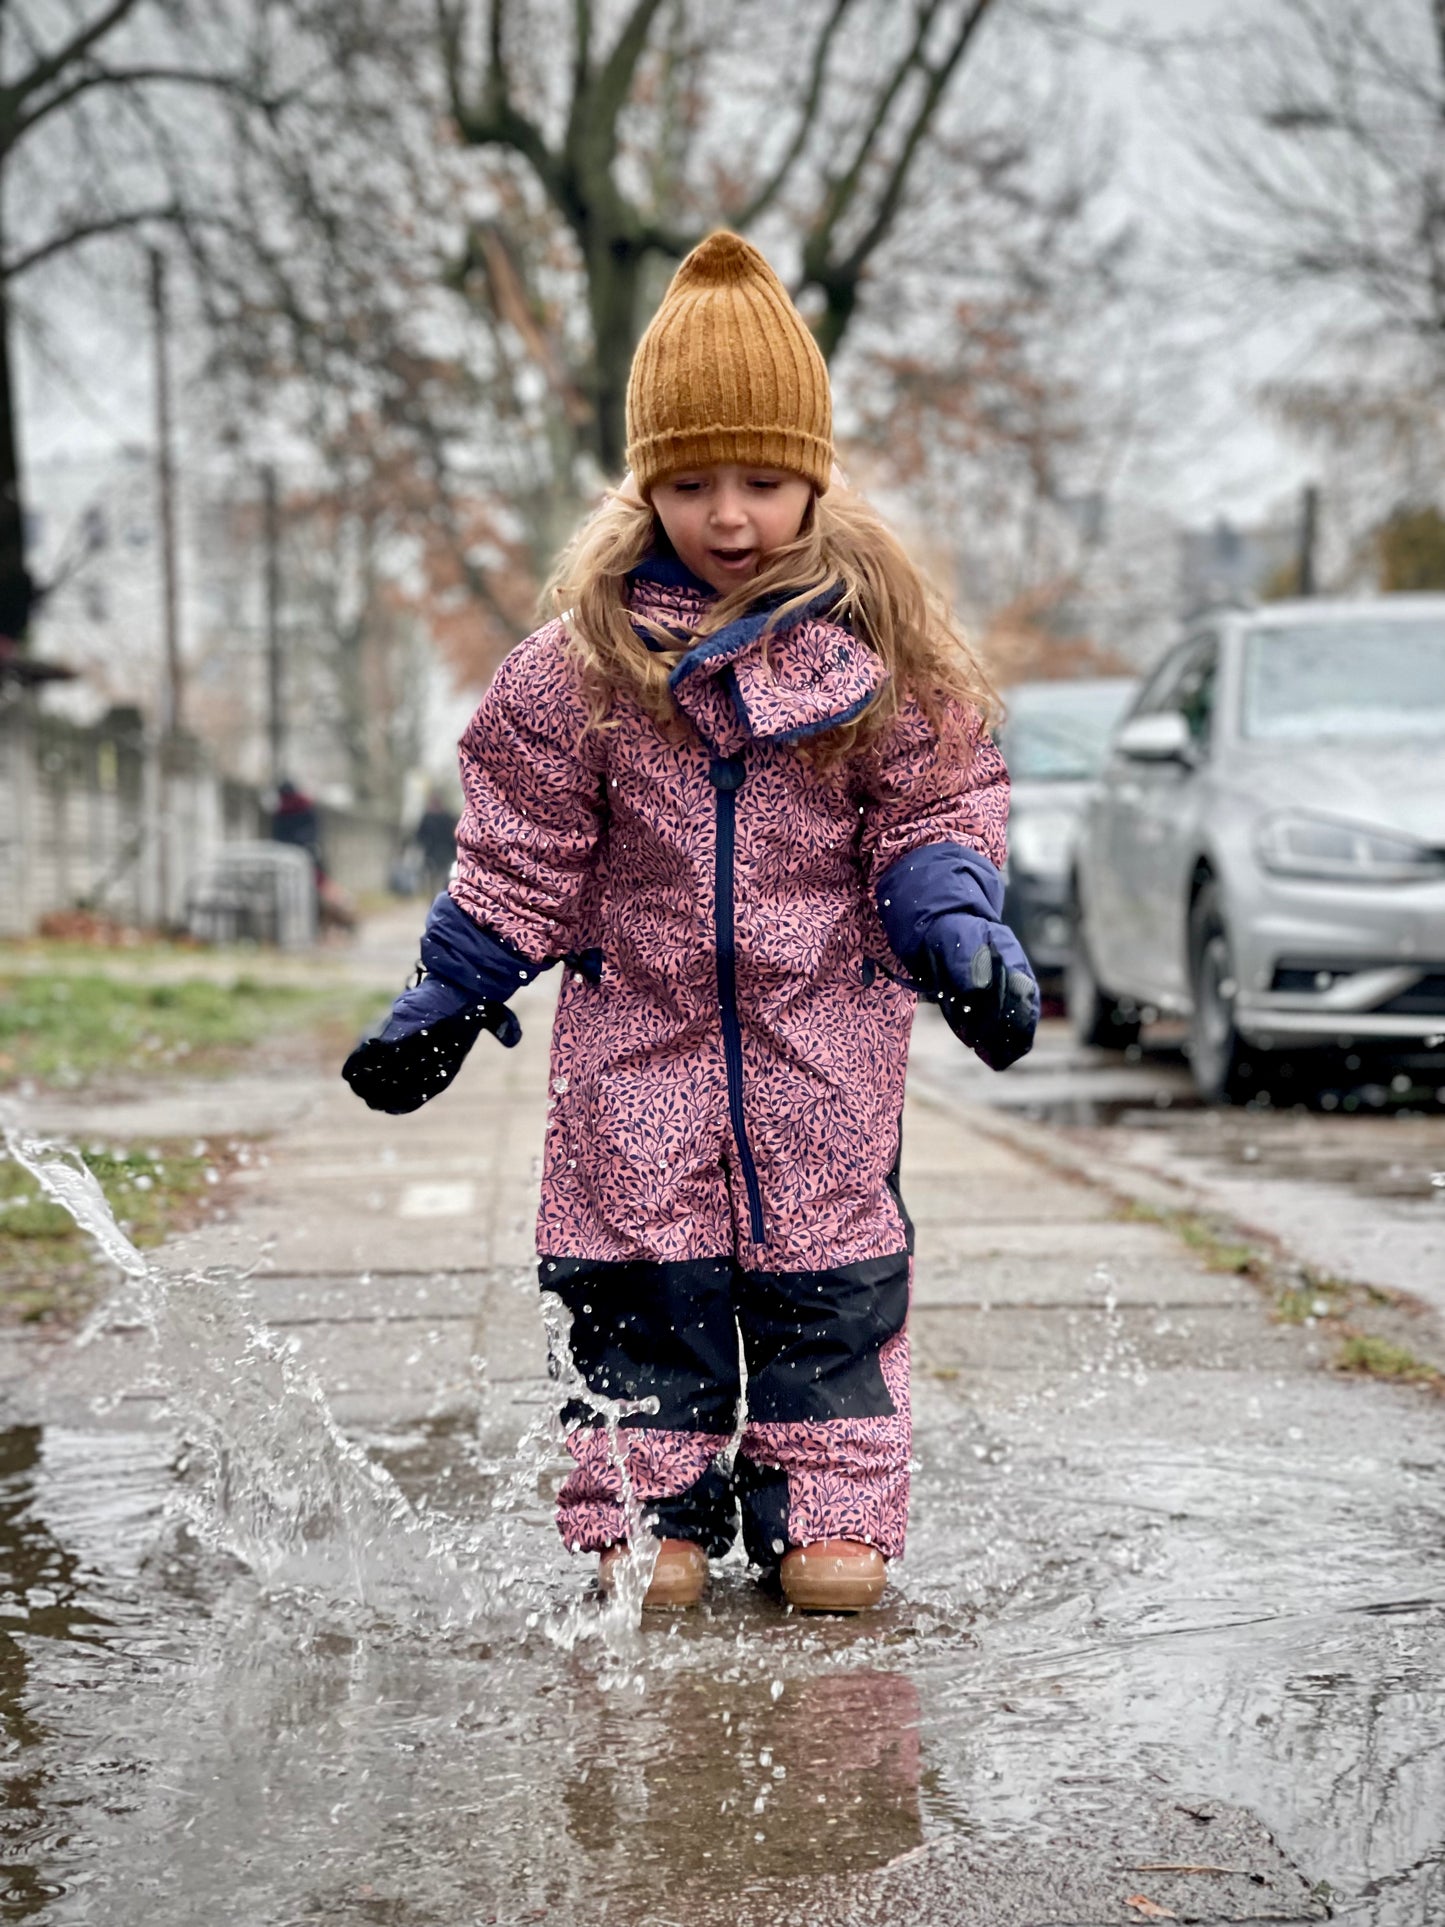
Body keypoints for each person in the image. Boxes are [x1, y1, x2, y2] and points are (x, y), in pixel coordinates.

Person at [343, 233, 1037, 1613]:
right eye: (692, 481)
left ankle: (828, 1507)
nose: (729, 516)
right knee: (634, 1279)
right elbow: (523, 849)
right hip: (637, 1040)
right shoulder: (577, 668)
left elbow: (933, 807)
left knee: (827, 1281)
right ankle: (645, 1503)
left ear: (815, 478)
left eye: (764, 481)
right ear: (644, 481)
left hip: (818, 1036)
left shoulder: (880, 656)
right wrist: (449, 987)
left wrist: (951, 918)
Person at [412, 788, 459, 900]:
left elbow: (419, 836)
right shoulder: (448, 818)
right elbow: (454, 836)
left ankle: (435, 899)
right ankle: (439, 899)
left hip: (434, 854)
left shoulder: (428, 818)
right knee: (440, 878)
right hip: (443, 854)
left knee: (435, 879)